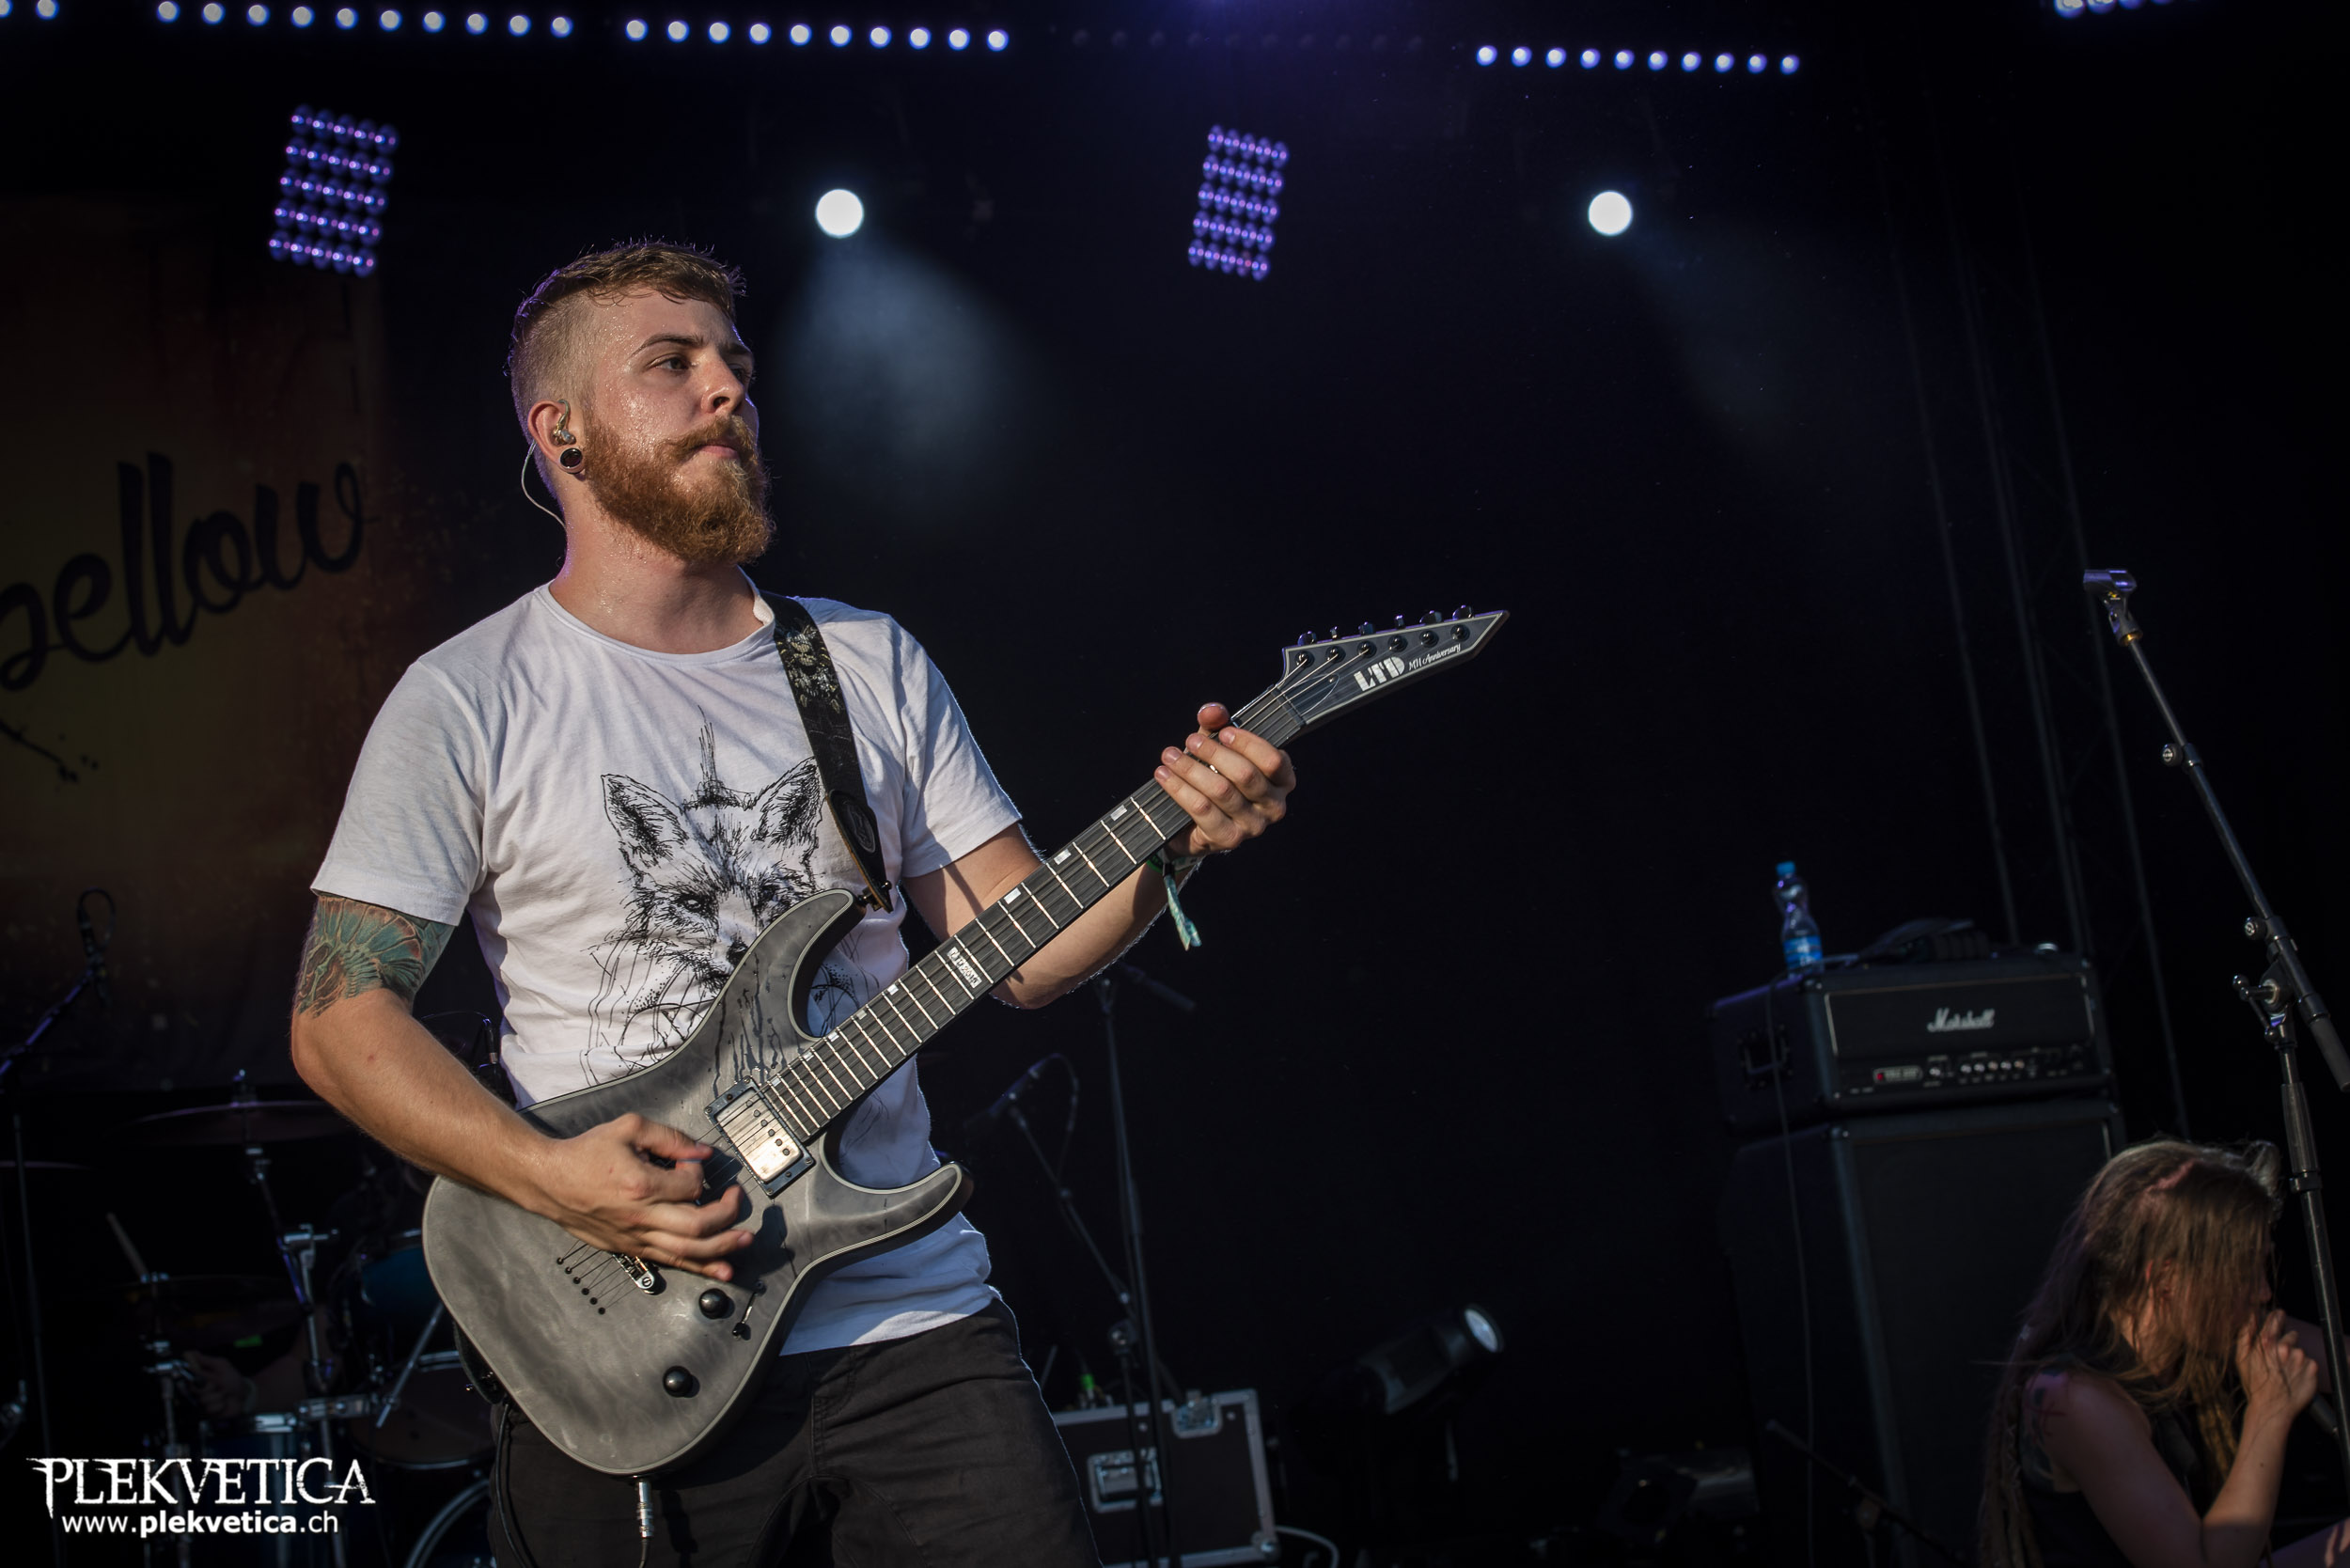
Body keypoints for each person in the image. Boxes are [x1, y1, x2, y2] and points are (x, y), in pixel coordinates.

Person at [287, 241, 1296, 1566]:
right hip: (628, 1339)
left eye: (736, 364)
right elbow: (339, 1020)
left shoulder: (863, 660)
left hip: (909, 1319)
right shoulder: (470, 698)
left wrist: (1175, 844)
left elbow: (1022, 952)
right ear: (562, 431)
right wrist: (555, 1180)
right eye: (672, 364)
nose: (727, 390)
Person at [1981, 1137, 2350, 1568]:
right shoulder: (2076, 1398)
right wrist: (2270, 1412)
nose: (2263, 1292)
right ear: (2168, 1280)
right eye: (2244, 1272)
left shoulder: (2206, 1330)